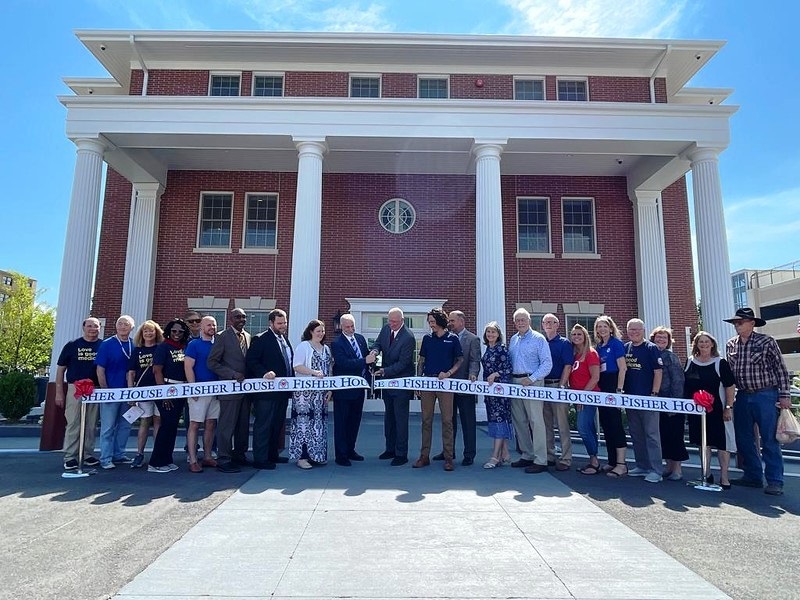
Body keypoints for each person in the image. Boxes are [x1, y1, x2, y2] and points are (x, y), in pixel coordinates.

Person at [724, 307, 792, 495]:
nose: (737, 325)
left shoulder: (767, 342)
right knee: (743, 438)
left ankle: (775, 481)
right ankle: (753, 475)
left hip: (766, 395)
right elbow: (729, 374)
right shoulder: (731, 344)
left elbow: (780, 370)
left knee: (769, 439)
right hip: (743, 395)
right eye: (735, 322)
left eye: (740, 322)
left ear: (752, 323)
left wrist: (784, 395)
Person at [685, 331, 736, 489]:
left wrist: (728, 407)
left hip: (718, 411)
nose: (704, 344)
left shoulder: (720, 363)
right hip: (697, 412)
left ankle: (724, 477)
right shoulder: (690, 361)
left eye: (707, 342)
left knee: (722, 444)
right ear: (696, 344)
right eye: (701, 342)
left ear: (712, 344)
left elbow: (730, 386)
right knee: (703, 443)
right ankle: (706, 474)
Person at [414, 308, 464, 471]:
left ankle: (449, 458)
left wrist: (449, 373)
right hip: (428, 382)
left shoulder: (453, 339)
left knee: (447, 421)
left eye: (433, 322)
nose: (431, 325)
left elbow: (460, 360)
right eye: (429, 322)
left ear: (441, 321)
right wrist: (418, 381)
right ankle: (424, 456)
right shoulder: (427, 339)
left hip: (445, 384)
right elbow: (421, 360)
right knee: (426, 420)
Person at [431, 310, 480, 466]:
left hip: (464, 386)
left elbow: (474, 360)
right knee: (448, 421)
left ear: (461, 321)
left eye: (452, 321)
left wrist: (473, 374)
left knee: (467, 421)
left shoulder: (473, 339)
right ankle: (448, 452)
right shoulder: (446, 338)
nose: (450, 323)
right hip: (447, 387)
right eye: (449, 321)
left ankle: (469, 454)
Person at [246, 308, 293, 470]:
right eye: (279, 323)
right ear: (271, 323)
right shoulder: (261, 339)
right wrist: (264, 372)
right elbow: (252, 361)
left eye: (285, 322)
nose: (283, 326)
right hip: (266, 393)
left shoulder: (284, 340)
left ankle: (273, 454)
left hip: (282, 392)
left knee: (276, 425)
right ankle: (260, 459)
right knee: (264, 425)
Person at [508, 307, 553, 474]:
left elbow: (547, 363)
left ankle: (541, 459)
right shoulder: (513, 339)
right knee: (519, 420)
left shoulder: (538, 339)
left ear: (529, 321)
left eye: (523, 320)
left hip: (532, 382)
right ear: (514, 323)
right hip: (515, 382)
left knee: (536, 420)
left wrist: (532, 378)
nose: (520, 323)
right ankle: (527, 454)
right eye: (517, 320)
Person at [54, 316, 103, 471]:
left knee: (91, 423)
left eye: (95, 326)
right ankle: (70, 456)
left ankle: (88, 454)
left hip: (95, 389)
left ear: (99, 328)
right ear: (84, 327)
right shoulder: (72, 345)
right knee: (74, 422)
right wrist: (59, 393)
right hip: (75, 388)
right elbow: (61, 370)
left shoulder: (103, 346)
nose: (92, 329)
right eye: (89, 326)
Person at [207, 307, 251, 473]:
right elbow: (212, 362)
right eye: (237, 317)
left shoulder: (247, 336)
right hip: (229, 389)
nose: (241, 319)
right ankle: (224, 459)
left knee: (243, 425)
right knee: (227, 426)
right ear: (230, 319)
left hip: (246, 390)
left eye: (243, 316)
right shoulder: (222, 337)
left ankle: (239, 455)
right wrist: (232, 374)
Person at [370, 307, 415, 466]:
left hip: (401, 383)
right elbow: (377, 343)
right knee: (389, 417)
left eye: (395, 321)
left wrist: (384, 371)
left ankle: (401, 454)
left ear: (402, 320)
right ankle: (390, 449)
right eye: (389, 321)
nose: (391, 324)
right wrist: (375, 351)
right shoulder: (385, 329)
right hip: (387, 384)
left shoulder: (408, 337)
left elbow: (403, 363)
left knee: (400, 419)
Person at [331, 313, 374, 466]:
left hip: (359, 388)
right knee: (342, 423)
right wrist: (364, 361)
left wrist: (373, 355)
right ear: (341, 327)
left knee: (354, 422)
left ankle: (351, 450)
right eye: (347, 327)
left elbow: (367, 356)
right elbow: (343, 363)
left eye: (352, 326)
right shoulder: (337, 343)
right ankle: (341, 455)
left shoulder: (360, 339)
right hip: (344, 390)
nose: (350, 329)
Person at [624, 318, 664, 483]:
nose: (634, 332)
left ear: (643, 331)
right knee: (636, 433)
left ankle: (656, 470)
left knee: (652, 435)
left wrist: (654, 393)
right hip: (630, 399)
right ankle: (642, 465)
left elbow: (658, 372)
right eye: (631, 330)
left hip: (648, 398)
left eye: (637, 329)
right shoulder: (626, 348)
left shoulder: (651, 348)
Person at [148, 318, 190, 473]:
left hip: (181, 389)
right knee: (166, 425)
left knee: (172, 426)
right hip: (166, 388)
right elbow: (157, 370)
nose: (177, 334)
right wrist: (164, 394)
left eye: (180, 331)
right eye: (174, 331)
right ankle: (156, 462)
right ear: (169, 331)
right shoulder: (163, 347)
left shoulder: (184, 347)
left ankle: (167, 459)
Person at [290, 319, 332, 469]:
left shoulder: (326, 349)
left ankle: (317, 455)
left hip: (320, 394)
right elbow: (297, 366)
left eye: (322, 331)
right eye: (318, 331)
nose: (321, 334)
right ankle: (302, 457)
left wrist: (329, 390)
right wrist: (313, 373)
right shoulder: (304, 346)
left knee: (318, 424)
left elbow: (329, 369)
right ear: (311, 332)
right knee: (304, 424)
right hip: (305, 395)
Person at [95, 315, 136, 469]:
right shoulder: (107, 344)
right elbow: (100, 369)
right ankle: (105, 458)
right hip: (111, 391)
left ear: (132, 327)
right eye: (120, 324)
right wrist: (105, 390)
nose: (123, 327)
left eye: (126, 324)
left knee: (126, 425)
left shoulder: (134, 344)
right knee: (108, 427)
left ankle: (119, 454)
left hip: (128, 393)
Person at [184, 316, 220, 473]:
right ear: (201, 327)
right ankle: (192, 459)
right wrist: (193, 388)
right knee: (195, 424)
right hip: (199, 390)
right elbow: (188, 366)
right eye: (208, 325)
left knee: (211, 424)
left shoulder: (218, 344)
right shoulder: (194, 345)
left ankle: (207, 456)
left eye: (214, 325)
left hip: (216, 390)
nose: (212, 327)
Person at [651, 326, 687, 481]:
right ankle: (669, 466)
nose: (661, 340)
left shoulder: (671, 357)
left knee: (675, 436)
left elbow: (678, 381)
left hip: (672, 402)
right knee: (663, 435)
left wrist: (675, 403)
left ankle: (677, 469)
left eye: (664, 338)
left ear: (668, 341)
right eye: (658, 337)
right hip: (657, 403)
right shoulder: (651, 355)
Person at [594, 315, 628, 477]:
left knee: (616, 424)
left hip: (614, 383)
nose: (602, 329)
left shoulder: (616, 344)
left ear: (610, 328)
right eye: (599, 327)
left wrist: (619, 389)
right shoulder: (599, 346)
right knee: (606, 424)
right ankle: (612, 461)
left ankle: (621, 464)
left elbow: (623, 368)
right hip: (603, 384)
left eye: (604, 326)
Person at [127, 320, 164, 469]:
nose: (149, 333)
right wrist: (131, 393)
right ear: (142, 334)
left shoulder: (161, 349)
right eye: (146, 331)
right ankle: (139, 453)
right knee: (144, 421)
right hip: (142, 390)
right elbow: (131, 372)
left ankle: (157, 453)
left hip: (159, 390)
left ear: (157, 333)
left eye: (151, 331)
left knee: (158, 421)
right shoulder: (137, 351)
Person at [540, 314, 573, 471]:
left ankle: (566, 458)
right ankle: (549, 455)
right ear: (542, 325)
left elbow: (568, 366)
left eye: (552, 322)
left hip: (557, 386)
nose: (548, 325)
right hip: (542, 386)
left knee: (562, 424)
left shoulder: (564, 343)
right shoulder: (541, 341)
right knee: (546, 424)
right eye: (546, 322)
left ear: (557, 325)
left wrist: (561, 386)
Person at [569, 324, 602, 475]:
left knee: (583, 427)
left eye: (579, 334)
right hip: (578, 397)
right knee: (587, 428)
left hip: (588, 397)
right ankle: (593, 460)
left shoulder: (591, 353)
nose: (576, 337)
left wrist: (583, 396)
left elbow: (595, 377)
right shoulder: (575, 355)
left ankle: (594, 460)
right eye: (574, 334)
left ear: (585, 336)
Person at [480, 321, 513, 469]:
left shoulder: (502, 350)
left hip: (500, 392)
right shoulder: (488, 349)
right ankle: (504, 453)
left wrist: (495, 374)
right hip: (490, 392)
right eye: (488, 332)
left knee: (500, 420)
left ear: (498, 335)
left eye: (493, 332)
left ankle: (495, 456)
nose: (490, 334)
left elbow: (508, 369)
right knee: (494, 420)